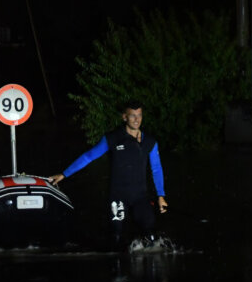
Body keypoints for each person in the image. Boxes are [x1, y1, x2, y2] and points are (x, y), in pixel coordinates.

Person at [49, 100, 168, 250]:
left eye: (139, 115)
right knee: (116, 236)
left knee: (150, 233)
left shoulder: (150, 142)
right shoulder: (113, 138)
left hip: (140, 196)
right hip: (118, 196)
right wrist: (64, 174)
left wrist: (160, 196)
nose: (137, 119)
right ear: (124, 117)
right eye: (132, 116)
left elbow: (156, 169)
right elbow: (89, 156)